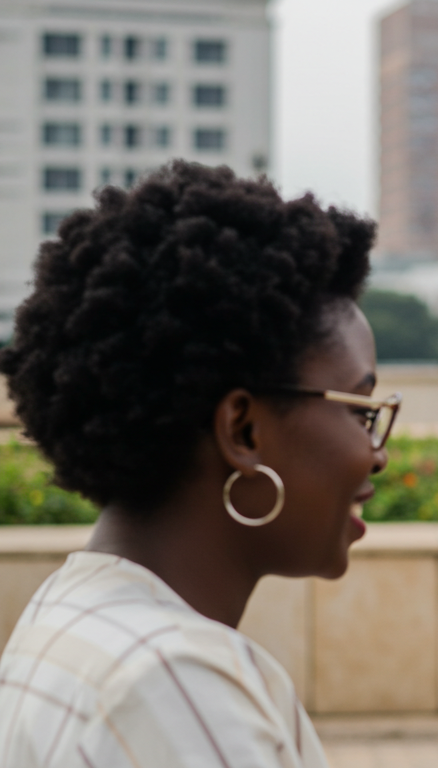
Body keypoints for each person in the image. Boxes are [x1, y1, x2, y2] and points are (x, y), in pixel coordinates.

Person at [0, 161, 398, 767]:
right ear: (243, 429)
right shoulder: (174, 684)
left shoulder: (66, 614)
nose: (378, 454)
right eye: (362, 410)